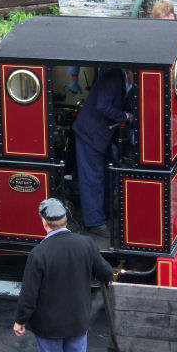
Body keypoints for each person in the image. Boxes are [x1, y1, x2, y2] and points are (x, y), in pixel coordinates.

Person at [13, 199, 113, 352]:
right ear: (65, 220)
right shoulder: (86, 244)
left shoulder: (39, 253)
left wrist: (20, 320)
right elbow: (106, 273)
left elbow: (28, 294)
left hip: (48, 326)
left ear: (44, 223)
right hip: (78, 321)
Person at [72, 67, 133, 238]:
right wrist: (125, 116)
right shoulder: (114, 77)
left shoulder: (122, 80)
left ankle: (104, 213)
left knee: (106, 174)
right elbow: (103, 105)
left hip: (102, 135)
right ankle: (94, 222)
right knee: (92, 177)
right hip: (90, 134)